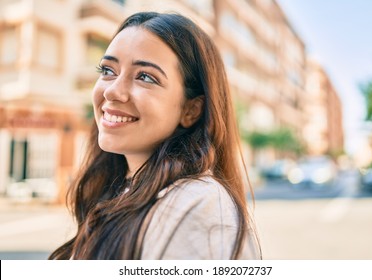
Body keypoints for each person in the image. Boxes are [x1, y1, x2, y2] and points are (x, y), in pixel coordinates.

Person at [49, 11, 261, 260]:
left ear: (191, 110)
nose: (113, 91)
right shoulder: (122, 190)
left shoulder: (199, 207)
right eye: (108, 70)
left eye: (145, 77)